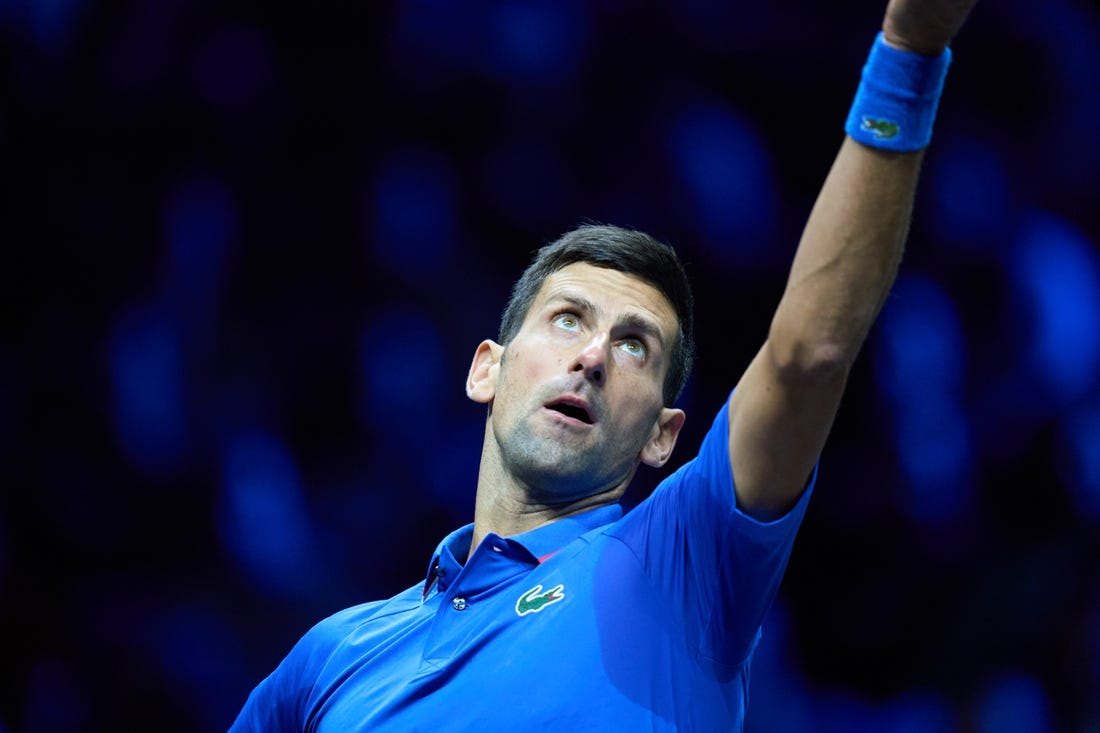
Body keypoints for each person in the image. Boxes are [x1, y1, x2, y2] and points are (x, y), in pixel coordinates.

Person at [230, 0, 979, 729]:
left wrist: (907, 54)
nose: (592, 356)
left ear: (662, 434)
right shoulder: (330, 660)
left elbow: (808, 355)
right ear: (486, 369)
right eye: (567, 320)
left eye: (634, 346)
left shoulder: (681, 560)